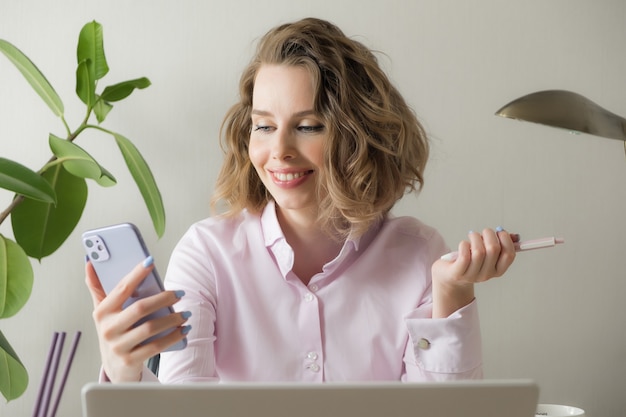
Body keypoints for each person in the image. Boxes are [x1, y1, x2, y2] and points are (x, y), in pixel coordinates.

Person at [85, 17, 517, 384]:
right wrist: (122, 370)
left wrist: (453, 292)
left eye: (308, 126)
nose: (279, 152)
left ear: (357, 136)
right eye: (264, 127)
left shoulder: (418, 253)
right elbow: (184, 408)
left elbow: (446, 412)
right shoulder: (207, 255)